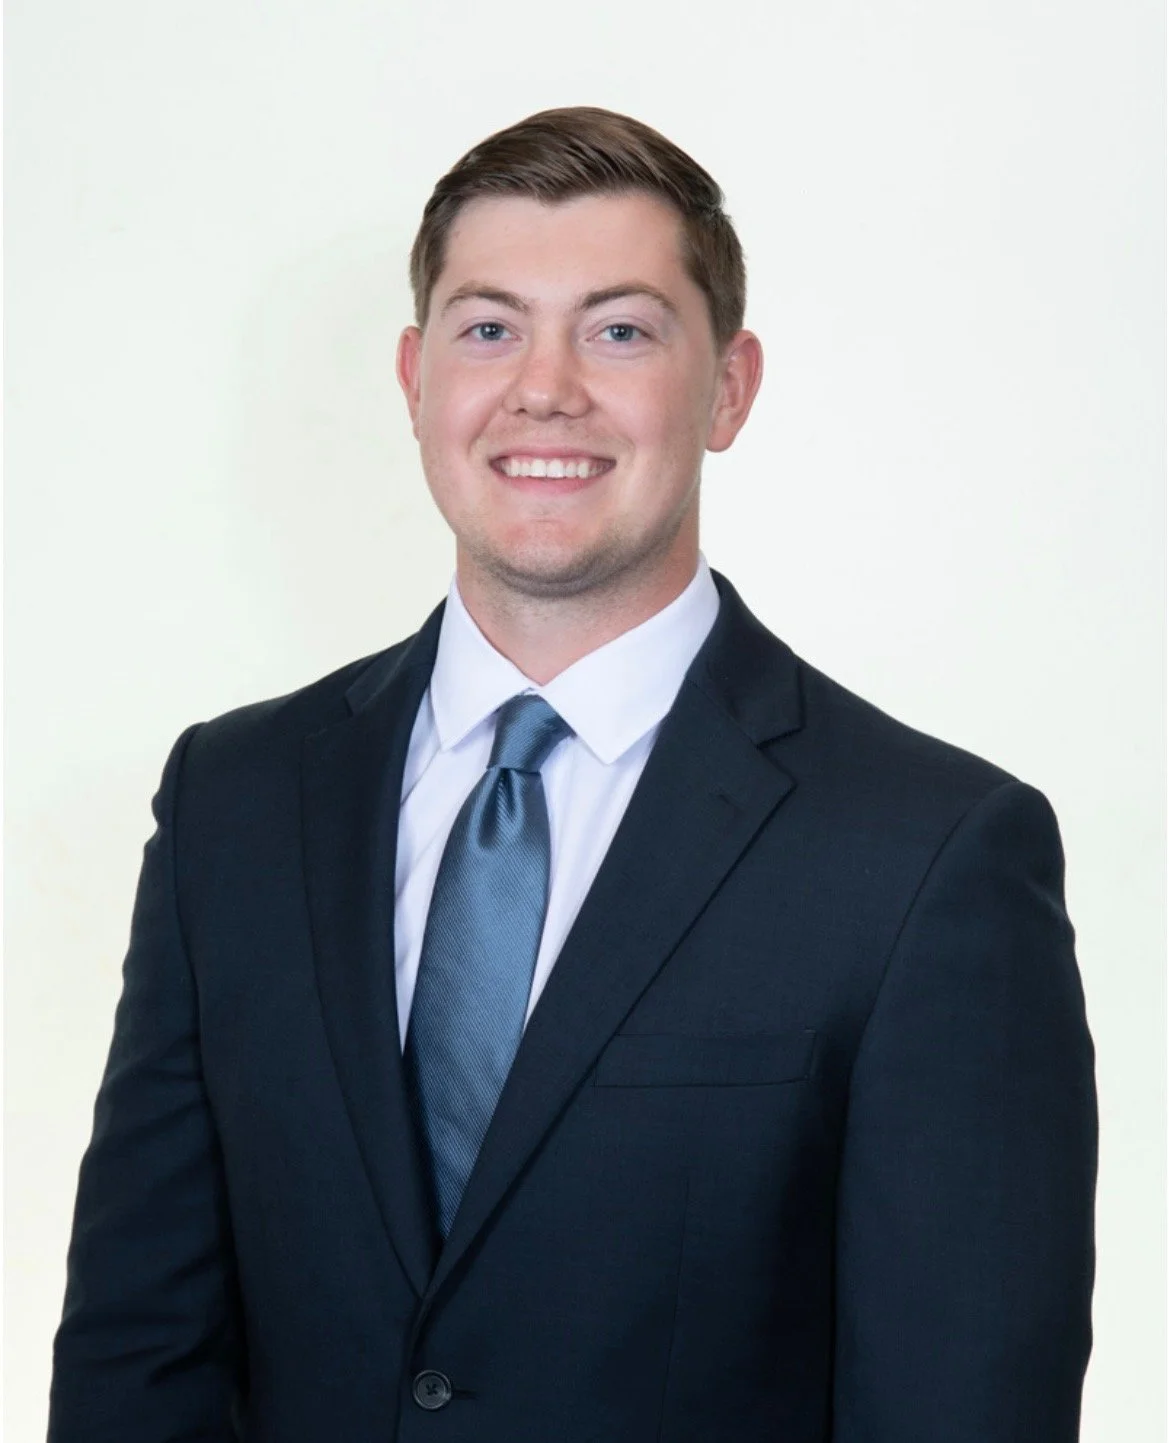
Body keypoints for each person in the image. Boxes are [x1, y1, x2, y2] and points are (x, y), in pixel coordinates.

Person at [48, 107, 1097, 1443]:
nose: (544, 389)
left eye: (621, 331)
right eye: (490, 328)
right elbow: (137, 1357)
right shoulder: (233, 801)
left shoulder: (928, 854)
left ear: (729, 388)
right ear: (416, 378)